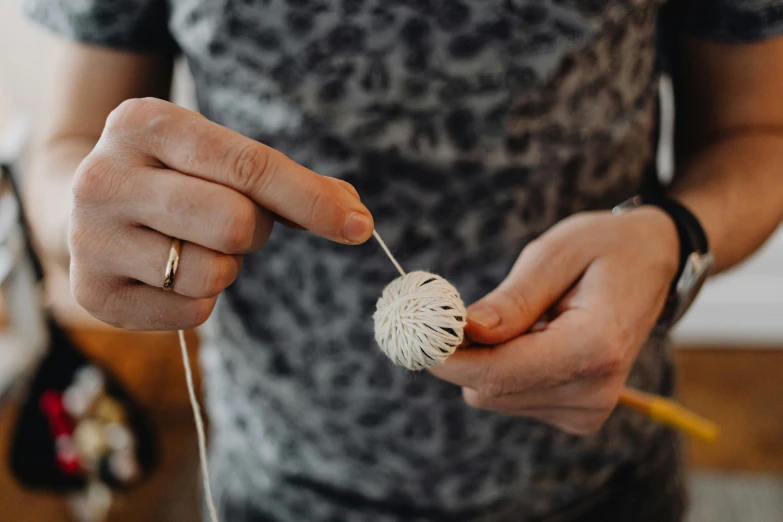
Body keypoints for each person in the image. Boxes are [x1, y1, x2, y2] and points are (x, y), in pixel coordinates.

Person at [21, 1, 783, 521]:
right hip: (282, 473)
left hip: (599, 470)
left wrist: (673, 236)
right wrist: (85, 214)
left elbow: (755, 131)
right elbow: (66, 152)